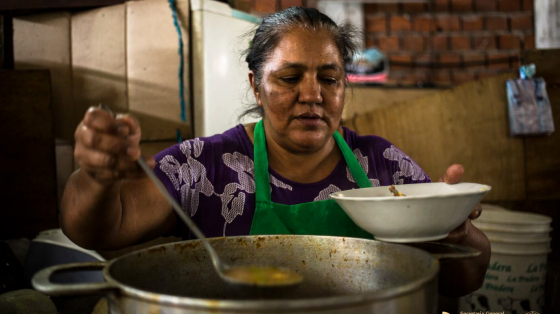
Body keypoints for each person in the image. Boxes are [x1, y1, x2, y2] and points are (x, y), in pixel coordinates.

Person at [61, 7, 490, 297]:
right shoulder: (206, 167)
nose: (312, 95)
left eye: (329, 78)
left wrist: (456, 231)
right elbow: (97, 228)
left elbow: (467, 277)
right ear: (255, 85)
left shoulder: (383, 166)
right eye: (289, 78)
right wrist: (98, 177)